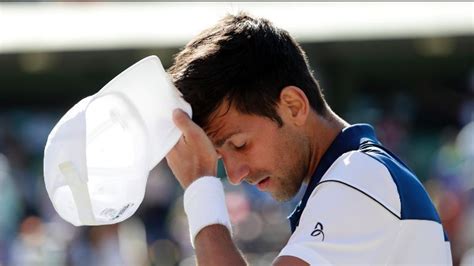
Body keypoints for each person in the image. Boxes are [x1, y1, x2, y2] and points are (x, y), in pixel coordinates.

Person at [165, 13, 452, 265]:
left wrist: (199, 187)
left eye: (240, 144)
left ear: (293, 105)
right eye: (219, 156)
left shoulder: (358, 178)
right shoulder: (360, 176)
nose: (235, 175)